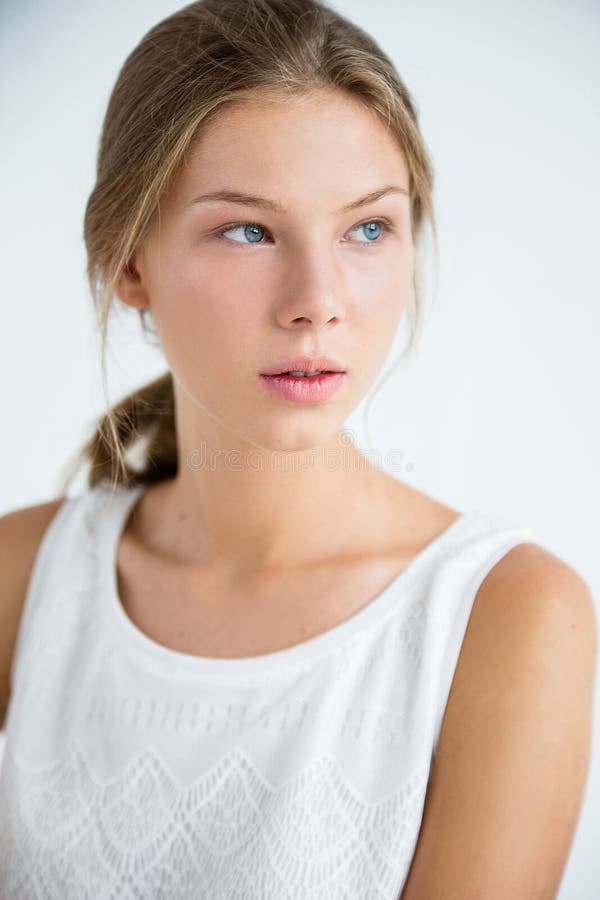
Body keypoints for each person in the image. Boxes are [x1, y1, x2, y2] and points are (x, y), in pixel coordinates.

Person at [0, 0, 596, 897]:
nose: (317, 300)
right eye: (249, 229)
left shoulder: (506, 618)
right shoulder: (21, 581)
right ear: (128, 262)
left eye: (367, 228)